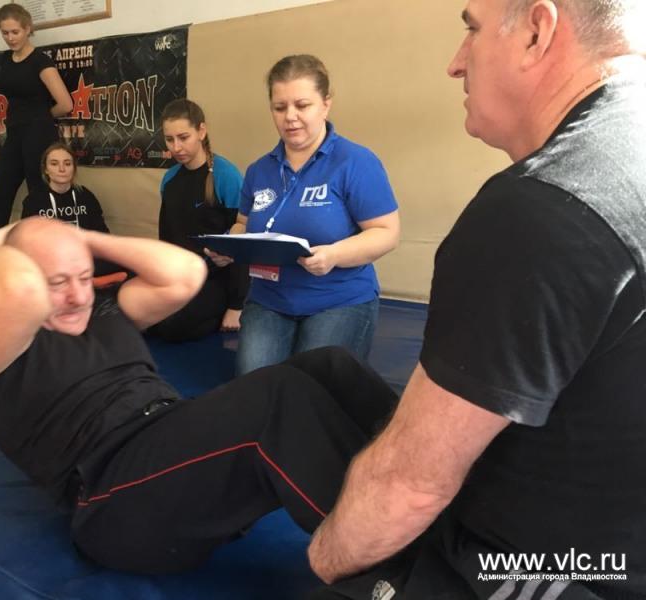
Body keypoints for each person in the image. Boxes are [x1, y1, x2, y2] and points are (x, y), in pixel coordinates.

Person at [307, 1, 646, 599]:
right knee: (322, 375)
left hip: (561, 571)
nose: (456, 63)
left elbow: (412, 485)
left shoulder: (541, 207)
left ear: (537, 31)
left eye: (471, 30)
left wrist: (325, 562)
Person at [0, 217, 400, 575]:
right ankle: (393, 560)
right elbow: (17, 290)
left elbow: (185, 273)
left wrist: (80, 240)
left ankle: (421, 487)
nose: (78, 296)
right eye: (58, 282)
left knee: (329, 366)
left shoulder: (106, 312)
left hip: (171, 453)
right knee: (279, 398)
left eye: (84, 277)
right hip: (114, 500)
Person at [214, 55, 400, 375]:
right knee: (255, 384)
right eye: (280, 107)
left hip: (339, 299)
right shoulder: (260, 170)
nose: (290, 117)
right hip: (269, 299)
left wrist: (334, 255)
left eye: (302, 105)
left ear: (325, 105)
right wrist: (230, 246)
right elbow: (244, 223)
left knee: (314, 386)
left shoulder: (355, 162)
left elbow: (387, 232)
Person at [151, 98, 249, 341]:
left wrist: (236, 306)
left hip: (216, 277)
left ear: (201, 131)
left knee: (171, 326)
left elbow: (244, 241)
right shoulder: (170, 179)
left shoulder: (226, 176)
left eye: (183, 137)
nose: (176, 147)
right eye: (169, 139)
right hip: (180, 275)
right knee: (137, 312)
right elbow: (167, 237)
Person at [0, 3, 72, 238]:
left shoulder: (40, 62)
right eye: (5, 33)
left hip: (38, 135)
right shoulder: (6, 59)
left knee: (38, 197)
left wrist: (41, 117)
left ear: (28, 29)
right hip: (15, 135)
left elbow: (66, 104)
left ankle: (39, 250)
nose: (10, 38)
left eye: (15, 32)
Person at [21, 141, 122, 278]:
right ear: (46, 169)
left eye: (67, 164)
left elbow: (102, 235)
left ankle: (83, 279)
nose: (62, 169)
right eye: (54, 164)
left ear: (74, 168)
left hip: (84, 257)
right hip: (51, 261)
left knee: (127, 263)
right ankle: (86, 281)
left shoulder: (85, 196)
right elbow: (28, 242)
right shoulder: (34, 201)